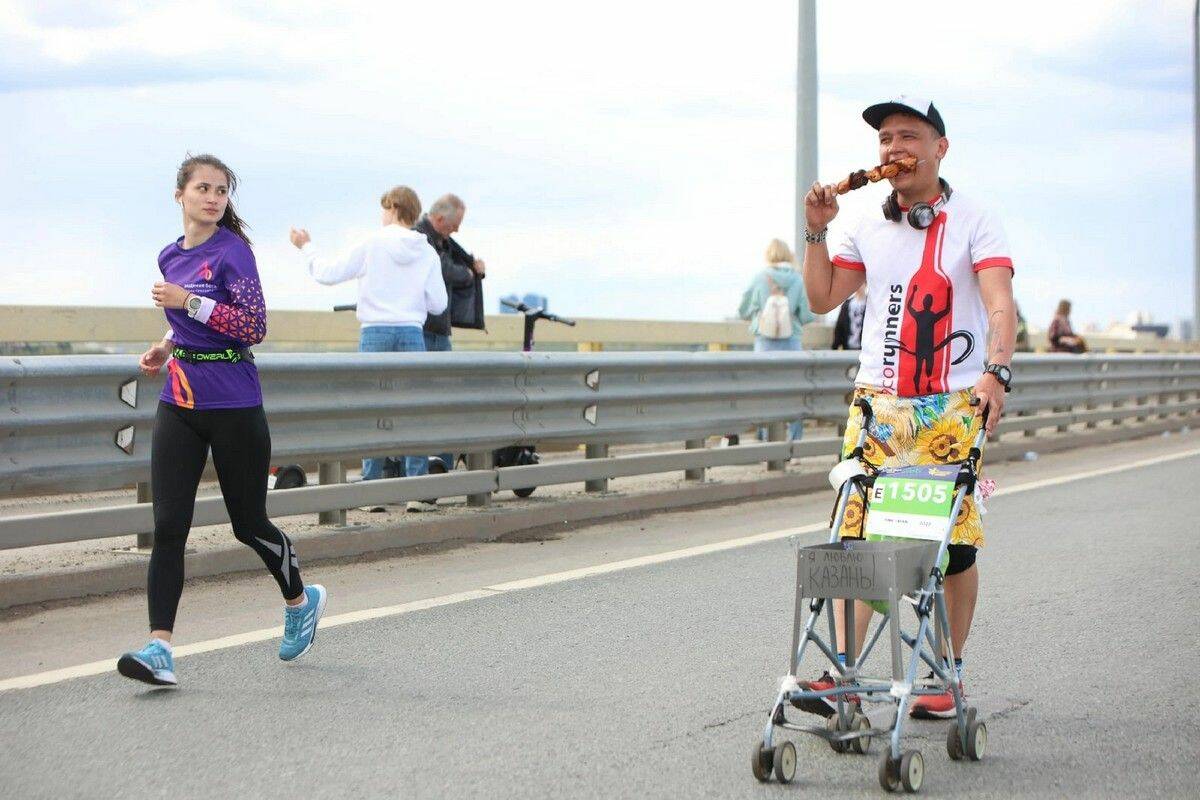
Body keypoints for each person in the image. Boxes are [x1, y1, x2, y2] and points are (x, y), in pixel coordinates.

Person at [799, 96, 1016, 719]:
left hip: (952, 406)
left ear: (939, 147)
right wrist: (816, 226)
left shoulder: (976, 218)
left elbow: (1000, 301)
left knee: (955, 545)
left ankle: (945, 675)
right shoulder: (863, 222)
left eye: (909, 136)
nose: (895, 149)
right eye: (886, 139)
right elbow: (820, 298)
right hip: (878, 406)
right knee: (856, 537)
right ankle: (842, 673)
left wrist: (996, 374)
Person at [118, 154, 327, 688]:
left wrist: (188, 303)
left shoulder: (234, 253)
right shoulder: (170, 256)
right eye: (203, 188)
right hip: (180, 401)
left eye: (221, 190)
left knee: (247, 525)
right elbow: (182, 323)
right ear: (180, 195)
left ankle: (301, 600)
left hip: (234, 402)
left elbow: (253, 325)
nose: (213, 197)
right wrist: (166, 345)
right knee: (168, 527)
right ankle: (159, 648)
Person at [290, 187, 446, 511]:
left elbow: (327, 274)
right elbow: (439, 303)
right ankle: (416, 489)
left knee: (373, 409)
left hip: (374, 332)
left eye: (383, 208)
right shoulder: (427, 251)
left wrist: (306, 246)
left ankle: (372, 489)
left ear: (391, 207)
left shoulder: (371, 243)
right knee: (411, 411)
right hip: (411, 334)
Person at [413, 193, 486, 476]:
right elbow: (442, 268)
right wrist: (469, 274)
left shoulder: (444, 240)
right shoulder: (419, 238)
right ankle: (427, 465)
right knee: (425, 402)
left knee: (444, 401)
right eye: (455, 224)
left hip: (439, 330)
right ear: (440, 219)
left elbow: (453, 261)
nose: (457, 230)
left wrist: (473, 267)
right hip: (424, 330)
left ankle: (441, 464)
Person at [738, 238, 816, 441]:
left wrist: (757, 314)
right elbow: (808, 315)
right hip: (791, 342)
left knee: (764, 393)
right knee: (795, 393)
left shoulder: (760, 278)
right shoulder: (798, 280)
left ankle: (766, 440)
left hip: (764, 343)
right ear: (788, 255)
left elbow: (743, 309)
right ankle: (794, 442)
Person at [831, 285, 868, 350]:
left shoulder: (870, 304)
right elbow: (840, 326)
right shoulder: (847, 304)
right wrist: (835, 346)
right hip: (848, 346)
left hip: (865, 348)